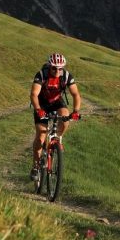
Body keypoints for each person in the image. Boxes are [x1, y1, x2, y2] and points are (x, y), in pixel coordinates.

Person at [29, 52, 82, 180]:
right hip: (42, 103)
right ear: (49, 66)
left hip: (57, 101)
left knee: (65, 118)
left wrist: (75, 111)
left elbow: (76, 94)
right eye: (54, 68)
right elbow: (34, 94)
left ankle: (57, 139)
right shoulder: (42, 75)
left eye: (60, 68)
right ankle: (35, 166)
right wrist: (38, 109)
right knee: (41, 135)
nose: (57, 70)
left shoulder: (67, 76)